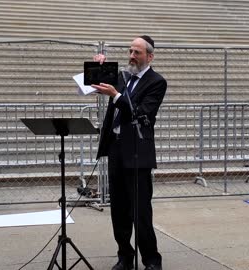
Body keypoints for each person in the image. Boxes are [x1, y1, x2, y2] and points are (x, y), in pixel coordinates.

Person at [92, 35, 166, 270]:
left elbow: (141, 113)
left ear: (150, 56)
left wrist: (115, 95)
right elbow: (94, 83)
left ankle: (151, 260)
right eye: (130, 51)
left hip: (137, 153)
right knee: (119, 210)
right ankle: (125, 256)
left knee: (141, 211)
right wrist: (99, 66)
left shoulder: (156, 82)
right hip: (116, 149)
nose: (132, 56)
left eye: (137, 52)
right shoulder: (124, 76)